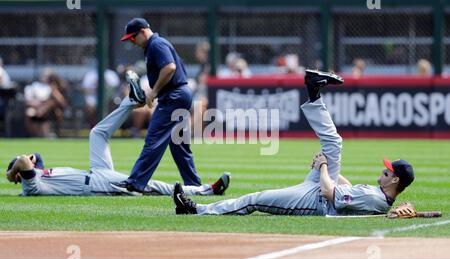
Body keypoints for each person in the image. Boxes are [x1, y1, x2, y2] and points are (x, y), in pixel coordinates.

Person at [173, 69, 415, 216]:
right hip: (320, 189)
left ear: (395, 180)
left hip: (316, 202)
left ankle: (195, 210)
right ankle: (314, 91)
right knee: (334, 143)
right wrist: (329, 168)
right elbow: (343, 187)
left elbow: (329, 193)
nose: (383, 171)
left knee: (254, 199)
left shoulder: (375, 199)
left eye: (387, 171)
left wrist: (323, 167)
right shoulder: (378, 195)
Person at [5, 96, 230, 197]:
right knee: (149, 186)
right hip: (96, 185)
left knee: (97, 134)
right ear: (19, 177)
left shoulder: (37, 176)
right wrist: (11, 172)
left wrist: (30, 159)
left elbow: (34, 156)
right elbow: (23, 161)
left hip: (96, 172)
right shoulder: (31, 187)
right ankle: (206, 190)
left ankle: (131, 101)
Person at [112, 18, 208, 193]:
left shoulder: (156, 44)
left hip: (174, 96)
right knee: (179, 144)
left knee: (154, 139)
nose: (132, 42)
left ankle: (135, 183)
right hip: (179, 95)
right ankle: (194, 185)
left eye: (133, 38)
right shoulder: (153, 45)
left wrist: (154, 91)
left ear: (142, 32)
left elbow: (170, 67)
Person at [24, 69, 68, 137]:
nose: (44, 78)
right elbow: (28, 100)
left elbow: (62, 103)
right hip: (37, 109)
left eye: (47, 77)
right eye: (44, 76)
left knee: (51, 103)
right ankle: (34, 134)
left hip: (52, 112)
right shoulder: (36, 86)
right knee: (30, 113)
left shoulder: (56, 88)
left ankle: (40, 114)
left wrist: (54, 91)